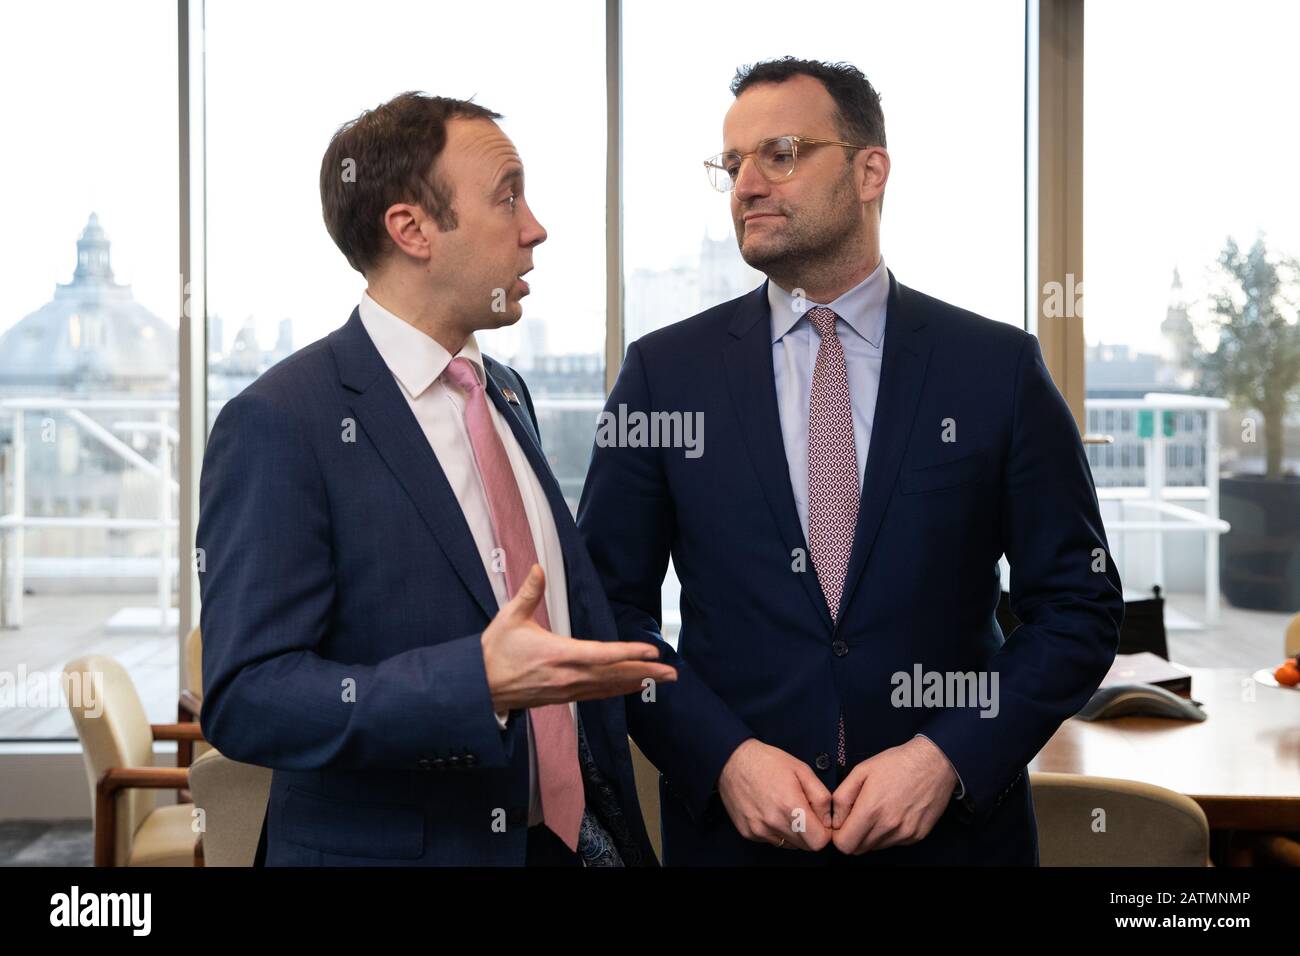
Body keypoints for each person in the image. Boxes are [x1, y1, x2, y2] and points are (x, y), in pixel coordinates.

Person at [577, 58, 1123, 865]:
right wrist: (723, 757)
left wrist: (947, 757)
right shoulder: (664, 375)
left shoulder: (996, 368)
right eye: (732, 165)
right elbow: (607, 617)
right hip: (734, 841)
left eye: (782, 153)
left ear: (871, 171)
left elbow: (1078, 605)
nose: (747, 184)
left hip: (955, 842)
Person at [198, 91, 674, 866]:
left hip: (572, 842)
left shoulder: (506, 391)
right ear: (411, 229)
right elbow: (249, 698)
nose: (536, 228)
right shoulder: (282, 421)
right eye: (507, 196)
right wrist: (473, 683)